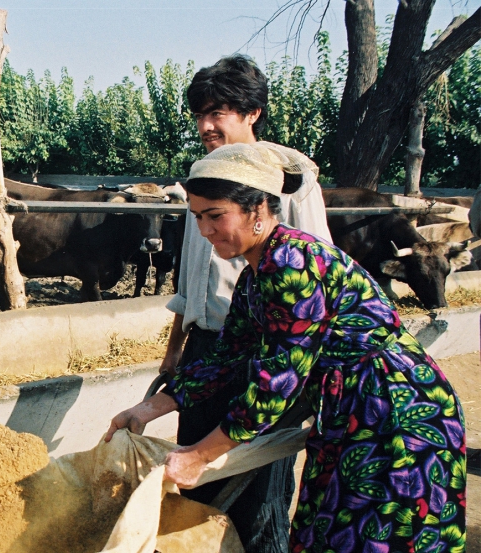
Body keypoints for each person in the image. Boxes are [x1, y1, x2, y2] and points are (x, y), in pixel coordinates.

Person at [107, 142, 467, 552]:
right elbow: (227, 357)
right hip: (348, 409)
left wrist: (200, 456)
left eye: (215, 216)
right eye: (197, 218)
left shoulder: (293, 264)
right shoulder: (254, 276)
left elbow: (275, 382)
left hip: (393, 413)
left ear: (257, 209)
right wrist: (148, 409)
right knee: (332, 532)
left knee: (379, 534)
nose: (205, 231)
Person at [149, 54, 332, 552]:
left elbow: (312, 301)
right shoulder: (204, 179)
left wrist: (300, 381)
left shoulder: (288, 182)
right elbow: (192, 282)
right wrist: (176, 353)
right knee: (195, 480)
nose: (207, 125)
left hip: (277, 355)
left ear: (252, 113)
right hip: (214, 349)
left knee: (260, 492)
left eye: (219, 112)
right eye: (200, 115)